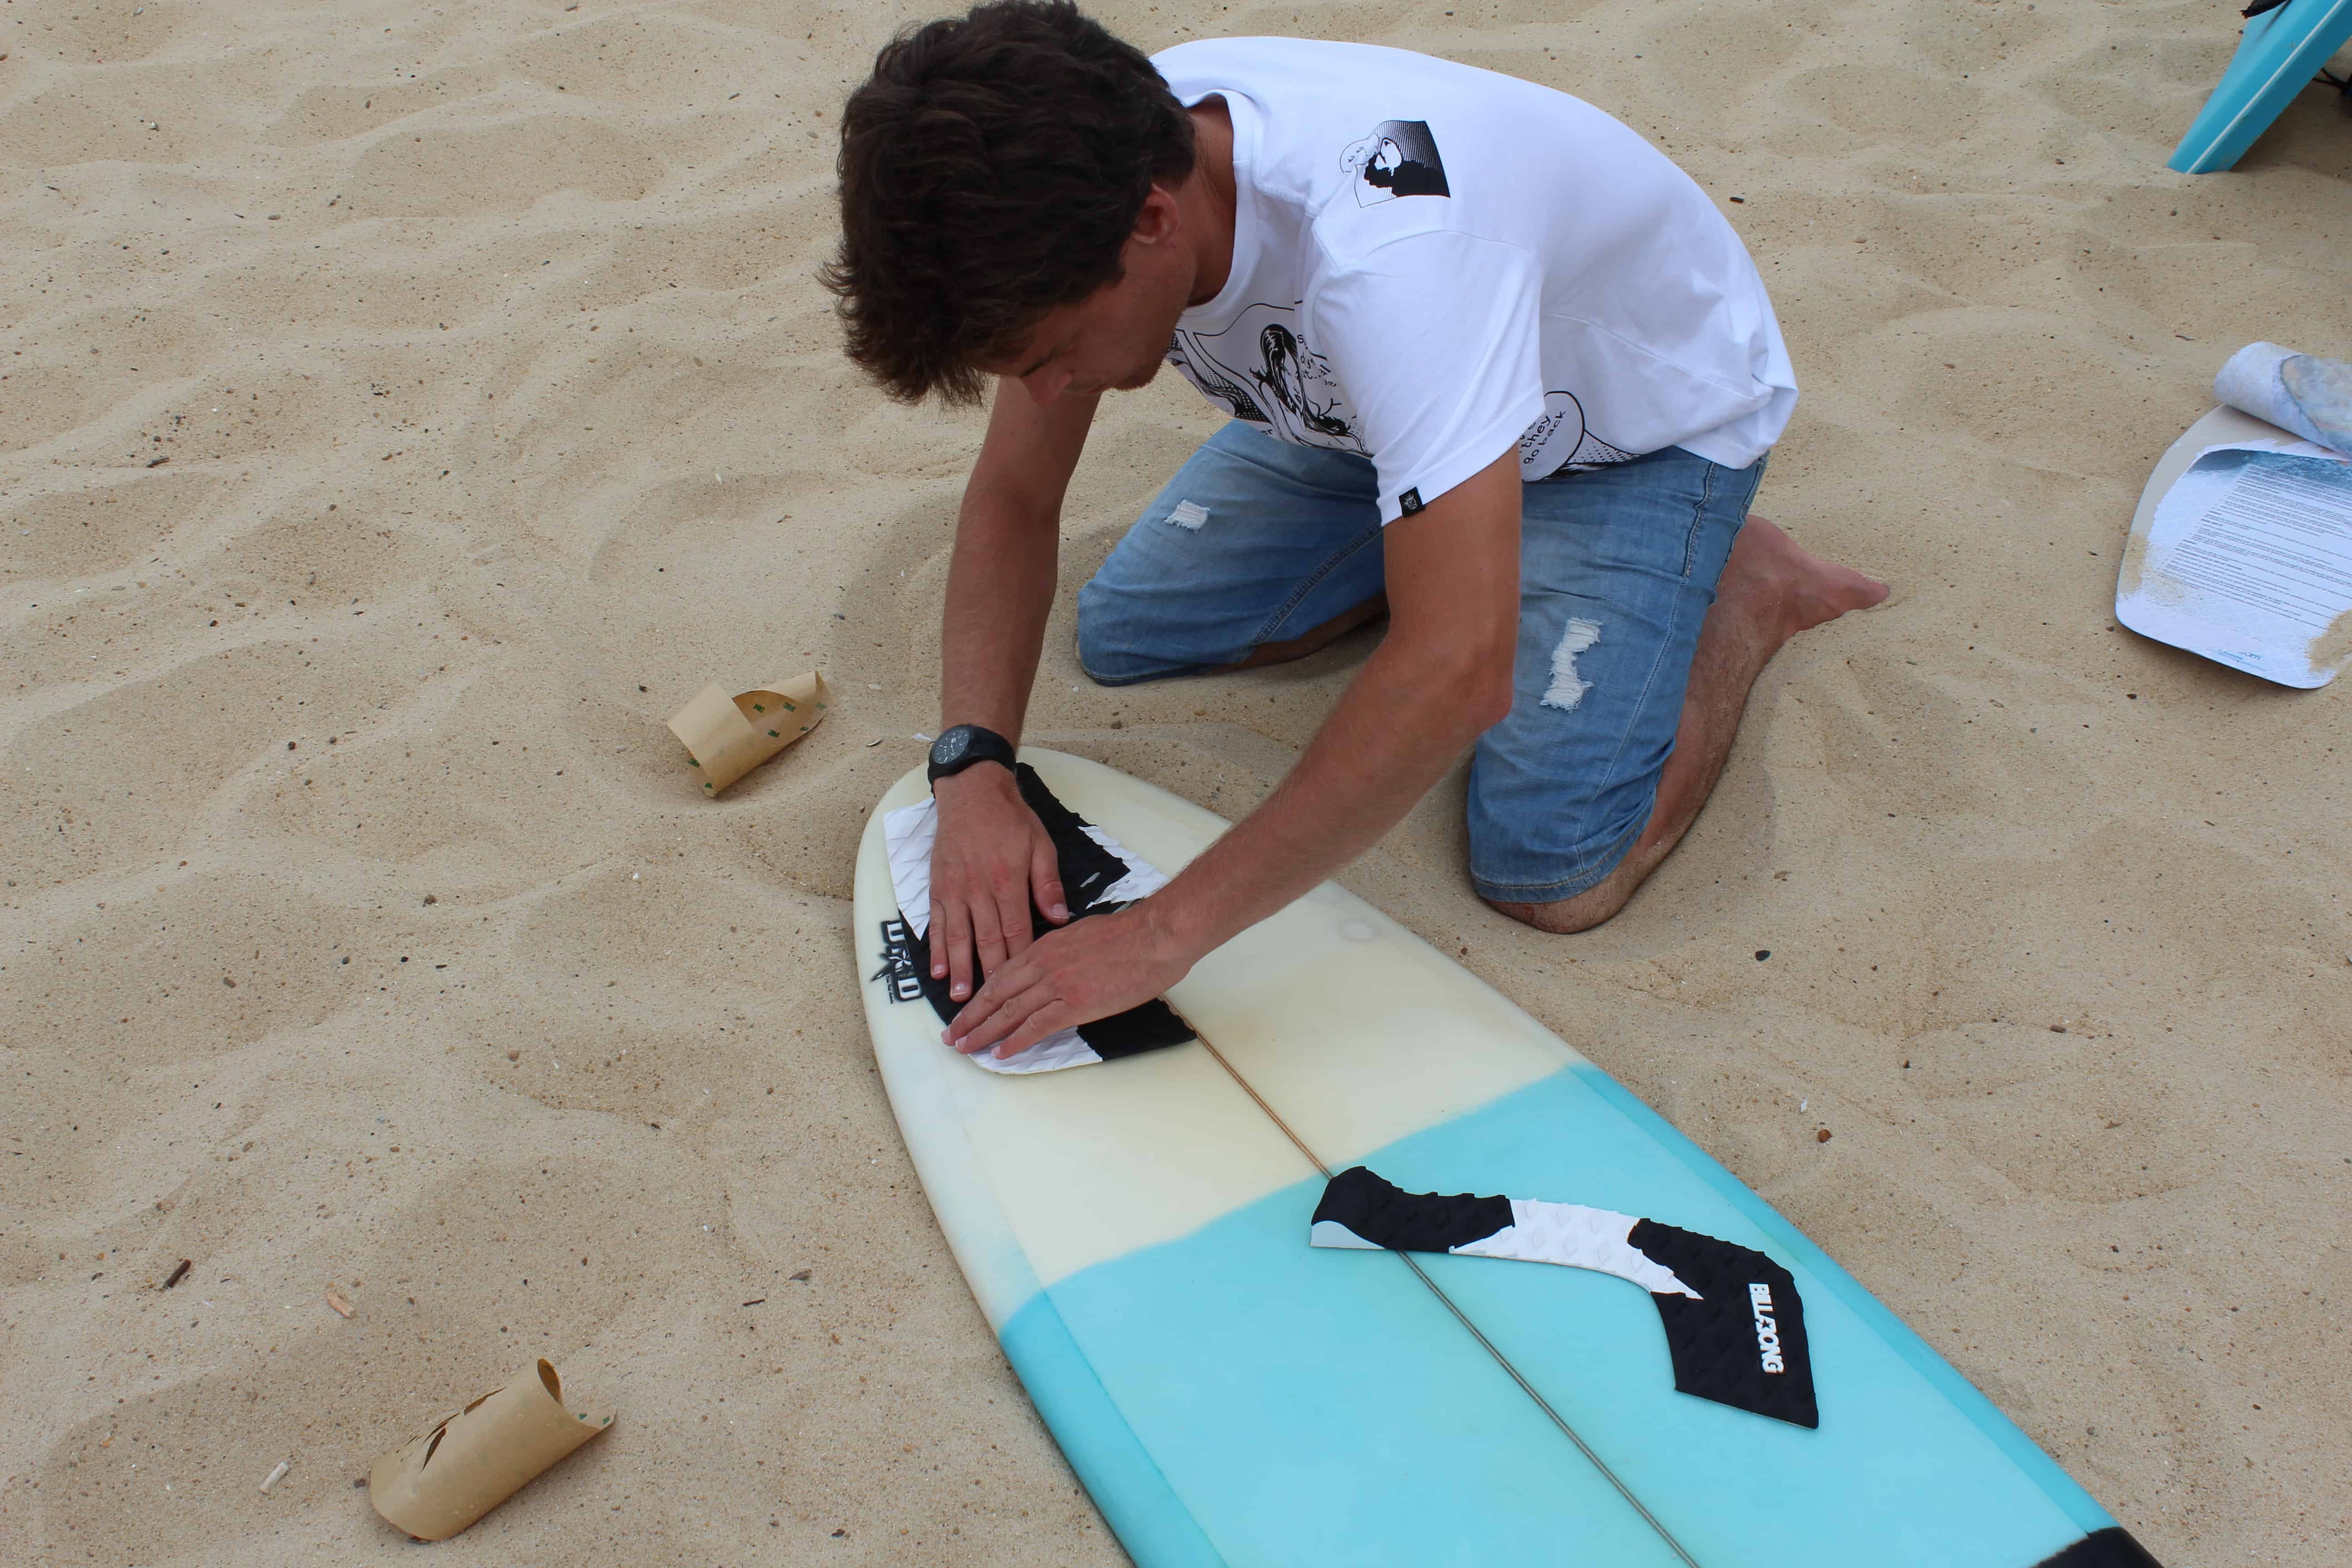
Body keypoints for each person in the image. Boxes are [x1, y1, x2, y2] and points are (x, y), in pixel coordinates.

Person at [823, 2, 1887, 1062]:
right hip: (1377, 410)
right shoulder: (1083, 149)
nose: (1048, 389)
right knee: (1130, 630)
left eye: (1052, 352)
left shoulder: (1398, 261)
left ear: (1153, 221)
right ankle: (1452, 534)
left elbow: (1460, 674)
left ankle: (1743, 582)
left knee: (1553, 871)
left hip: (1634, 429)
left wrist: (1163, 934)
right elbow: (1015, 496)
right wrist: (971, 769)